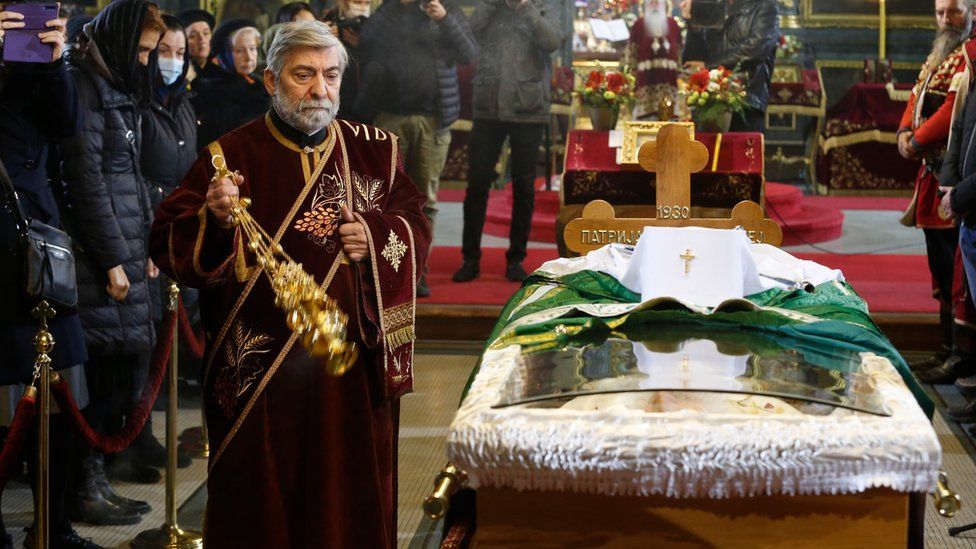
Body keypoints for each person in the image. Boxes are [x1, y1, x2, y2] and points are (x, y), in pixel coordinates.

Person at [149, 20, 430, 547]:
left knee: (347, 502)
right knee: (263, 507)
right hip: (261, 376)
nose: (319, 90)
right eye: (303, 75)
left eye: (330, 75)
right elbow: (169, 238)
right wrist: (215, 218)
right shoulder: (228, 157)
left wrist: (374, 236)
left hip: (351, 371)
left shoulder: (374, 151)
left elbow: (415, 219)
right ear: (271, 80)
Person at [60, 0, 164, 524]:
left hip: (124, 245)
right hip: (98, 258)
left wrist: (145, 247)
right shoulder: (83, 86)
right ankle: (84, 486)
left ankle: (95, 478)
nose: (147, 62)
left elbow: (126, 177)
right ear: (122, 41)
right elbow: (87, 184)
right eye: (143, 51)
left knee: (121, 376)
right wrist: (115, 260)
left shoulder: (115, 87)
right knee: (103, 380)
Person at [0, 6, 101, 548]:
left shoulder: (37, 66)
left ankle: (54, 526)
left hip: (37, 243)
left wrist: (56, 62)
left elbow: (66, 126)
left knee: (64, 390)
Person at [358, 0, 477, 296]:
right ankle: (386, 269)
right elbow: (366, 49)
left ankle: (418, 270)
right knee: (383, 198)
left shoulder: (445, 9)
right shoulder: (387, 10)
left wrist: (444, 18)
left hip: (432, 119)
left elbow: (469, 54)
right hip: (389, 117)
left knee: (426, 201)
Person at [452, 0, 561, 284]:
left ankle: (516, 259)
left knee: (525, 187)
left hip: (528, 107)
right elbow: (468, 32)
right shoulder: (490, 5)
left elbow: (552, 41)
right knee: (477, 184)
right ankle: (470, 258)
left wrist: (526, 8)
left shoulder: (542, 5)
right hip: (488, 107)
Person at [899, 0, 976, 387]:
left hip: (957, 178)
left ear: (972, 11)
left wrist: (916, 139)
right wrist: (903, 133)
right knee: (940, 267)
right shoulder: (939, 55)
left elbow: (952, 112)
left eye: (954, 12)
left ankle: (959, 355)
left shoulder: (969, 55)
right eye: (940, 13)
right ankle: (947, 349)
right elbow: (917, 93)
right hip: (932, 176)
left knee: (956, 272)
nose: (946, 20)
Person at [136, 13, 197, 470]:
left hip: (176, 233)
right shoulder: (137, 101)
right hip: (145, 234)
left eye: (180, 53)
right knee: (142, 343)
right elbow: (132, 174)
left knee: (163, 339)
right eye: (164, 52)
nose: (172, 62)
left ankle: (148, 432)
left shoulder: (181, 102)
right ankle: (135, 433)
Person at [680, 0, 778, 131]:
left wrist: (710, 65)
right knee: (707, 150)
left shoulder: (764, 5)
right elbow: (691, 61)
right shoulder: (712, 5)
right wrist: (693, 24)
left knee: (743, 149)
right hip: (707, 100)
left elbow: (755, 50)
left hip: (746, 99)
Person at [191, 19, 270, 148]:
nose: (249, 57)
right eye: (239, 51)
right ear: (223, 53)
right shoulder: (210, 87)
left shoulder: (258, 83)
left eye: (252, 48)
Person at [627, 0, 683, 120]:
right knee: (645, 119)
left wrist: (679, 72)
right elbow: (632, 53)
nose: (655, 6)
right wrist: (632, 75)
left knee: (670, 122)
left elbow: (678, 52)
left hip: (669, 80)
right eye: (651, 3)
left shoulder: (673, 25)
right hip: (645, 80)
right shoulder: (639, 25)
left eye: (657, 2)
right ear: (646, 5)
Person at [322, 0, 372, 122]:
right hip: (336, 95)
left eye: (367, 3)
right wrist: (324, 36)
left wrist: (361, 45)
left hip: (363, 99)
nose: (362, 7)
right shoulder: (331, 22)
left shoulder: (374, 25)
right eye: (357, 2)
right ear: (344, 3)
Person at [176, 9, 216, 82]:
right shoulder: (178, 74)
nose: (202, 40)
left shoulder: (221, 70)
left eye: (206, 33)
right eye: (193, 36)